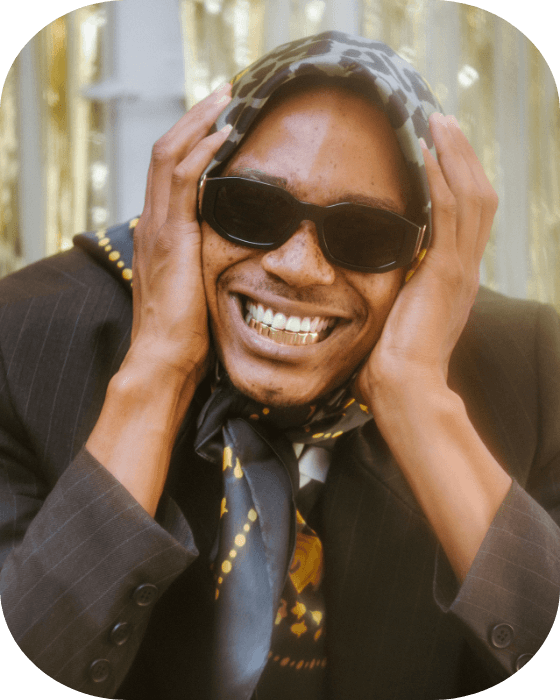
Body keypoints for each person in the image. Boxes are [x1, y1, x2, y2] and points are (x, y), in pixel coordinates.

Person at [0, 30, 559, 700]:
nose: (298, 266)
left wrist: (417, 401)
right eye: (252, 209)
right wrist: (158, 372)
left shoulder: (532, 368)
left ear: (422, 255)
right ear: (190, 201)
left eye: (364, 233)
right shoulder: (19, 343)